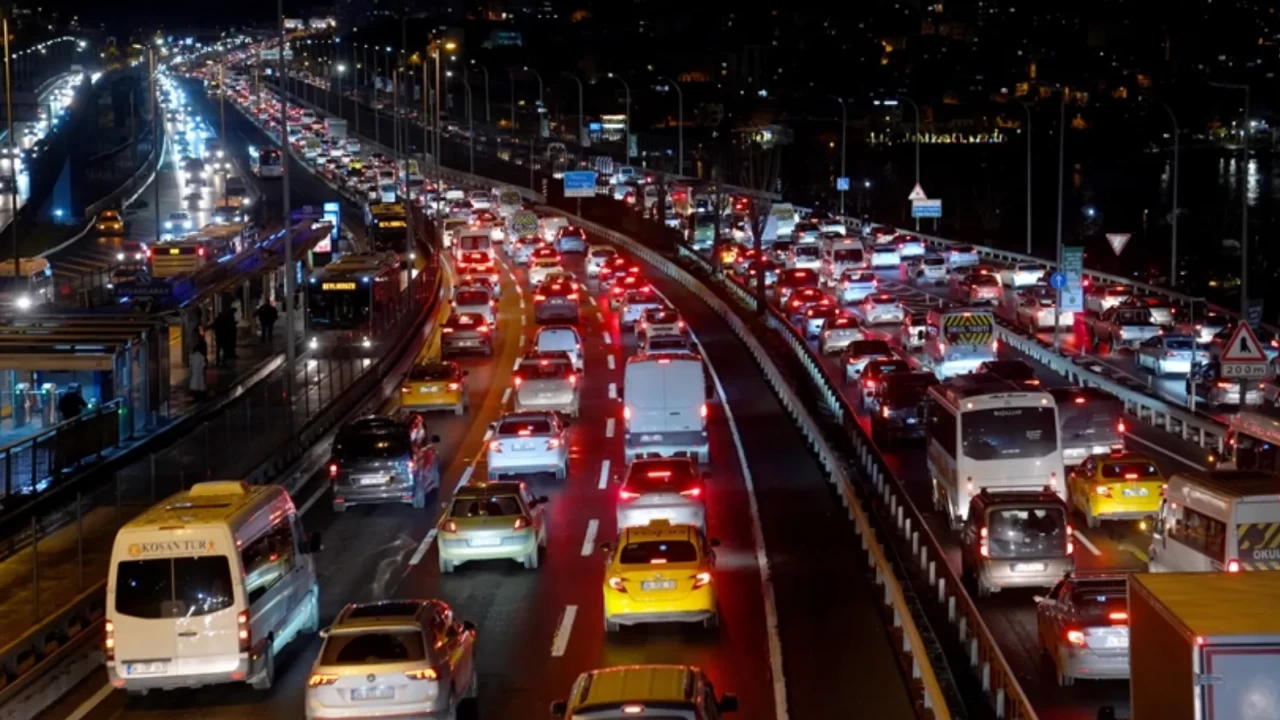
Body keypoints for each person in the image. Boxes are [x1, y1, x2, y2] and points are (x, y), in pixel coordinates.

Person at [189, 331, 209, 400]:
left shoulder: (193, 356)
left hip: (194, 383)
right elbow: (203, 369)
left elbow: (191, 367)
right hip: (200, 382)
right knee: (200, 383)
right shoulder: (202, 357)